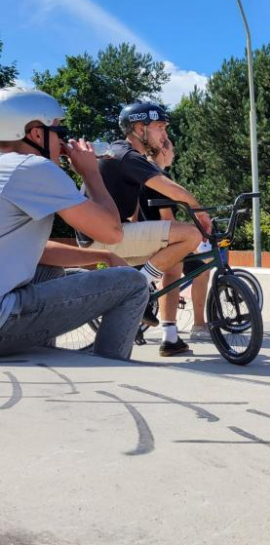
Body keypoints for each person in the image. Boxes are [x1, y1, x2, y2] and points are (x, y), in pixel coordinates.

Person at [0, 88, 148, 359]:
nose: (63, 143)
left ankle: (41, 354)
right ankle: (110, 368)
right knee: (132, 282)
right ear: (36, 134)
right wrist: (91, 173)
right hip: (2, 323)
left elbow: (38, 251)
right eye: (59, 132)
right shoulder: (31, 167)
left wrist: (103, 256)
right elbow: (111, 231)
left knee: (49, 270)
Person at [78, 102, 211, 356]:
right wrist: (200, 212)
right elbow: (170, 189)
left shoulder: (124, 154)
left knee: (174, 262)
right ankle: (140, 285)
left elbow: (131, 210)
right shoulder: (128, 155)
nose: (165, 135)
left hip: (108, 233)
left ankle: (170, 338)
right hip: (103, 238)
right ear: (140, 129)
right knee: (191, 234)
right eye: (160, 127)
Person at [139, 139, 211, 343]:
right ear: (163, 150)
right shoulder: (159, 177)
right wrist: (192, 239)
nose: (174, 154)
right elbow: (167, 220)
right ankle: (198, 325)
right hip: (161, 239)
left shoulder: (138, 173)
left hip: (140, 237)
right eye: (172, 149)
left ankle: (169, 330)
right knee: (201, 269)